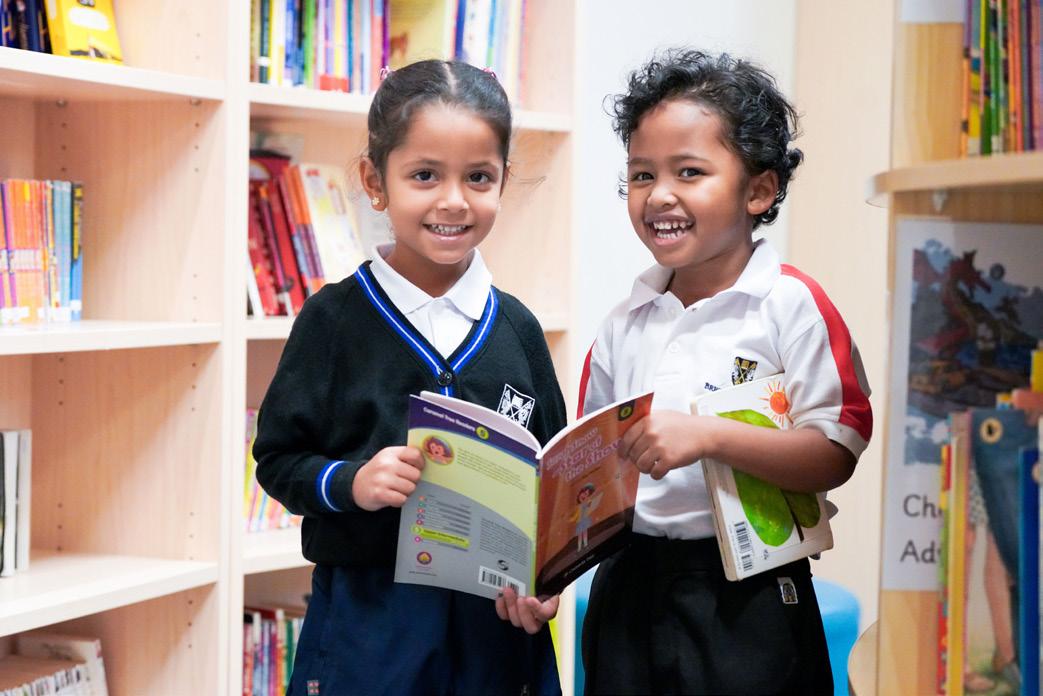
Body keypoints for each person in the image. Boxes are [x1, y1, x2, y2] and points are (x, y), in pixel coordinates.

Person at [253, 59, 566, 696]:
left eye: (478, 177)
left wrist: (547, 584)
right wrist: (352, 482)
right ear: (375, 181)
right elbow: (278, 461)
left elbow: (556, 481)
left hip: (496, 636)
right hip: (370, 630)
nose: (453, 200)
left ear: (503, 181)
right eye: (425, 175)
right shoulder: (333, 320)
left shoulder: (518, 328)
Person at [578, 49, 874, 695]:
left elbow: (836, 449)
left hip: (749, 596)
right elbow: (592, 469)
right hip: (628, 588)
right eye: (641, 174)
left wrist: (708, 435)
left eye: (689, 171)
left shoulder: (789, 304)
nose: (659, 194)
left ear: (758, 191)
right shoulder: (622, 322)